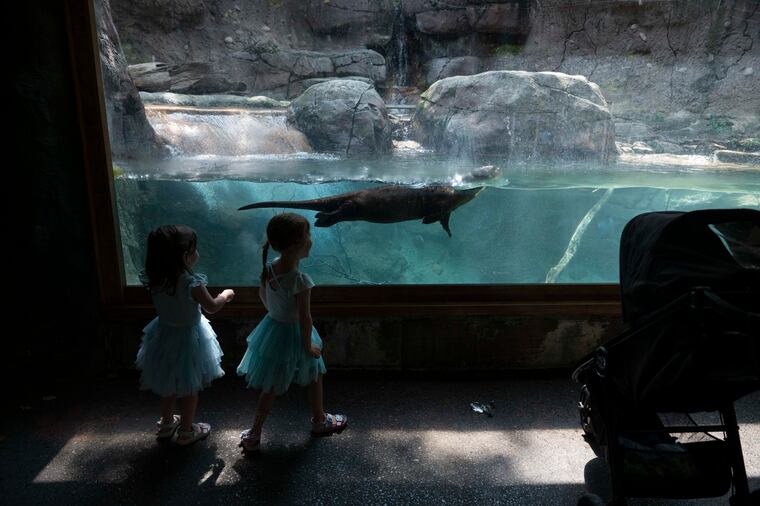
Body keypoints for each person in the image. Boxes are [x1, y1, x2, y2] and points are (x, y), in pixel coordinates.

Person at [237, 213, 347, 452]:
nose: (311, 239)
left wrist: (275, 313)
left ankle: (254, 432)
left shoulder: (270, 268)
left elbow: (262, 295)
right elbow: (305, 318)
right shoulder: (300, 279)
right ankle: (320, 420)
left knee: (272, 385)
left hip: (274, 329)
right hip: (296, 334)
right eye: (308, 235)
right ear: (298, 243)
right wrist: (308, 345)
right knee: (315, 372)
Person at [136, 224, 235, 445]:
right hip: (189, 339)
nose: (197, 253)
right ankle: (187, 431)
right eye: (195, 249)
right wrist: (225, 295)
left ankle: (167, 423)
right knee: (190, 387)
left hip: (162, 335)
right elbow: (211, 307)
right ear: (185, 256)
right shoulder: (191, 282)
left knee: (167, 380)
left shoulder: (154, 279)